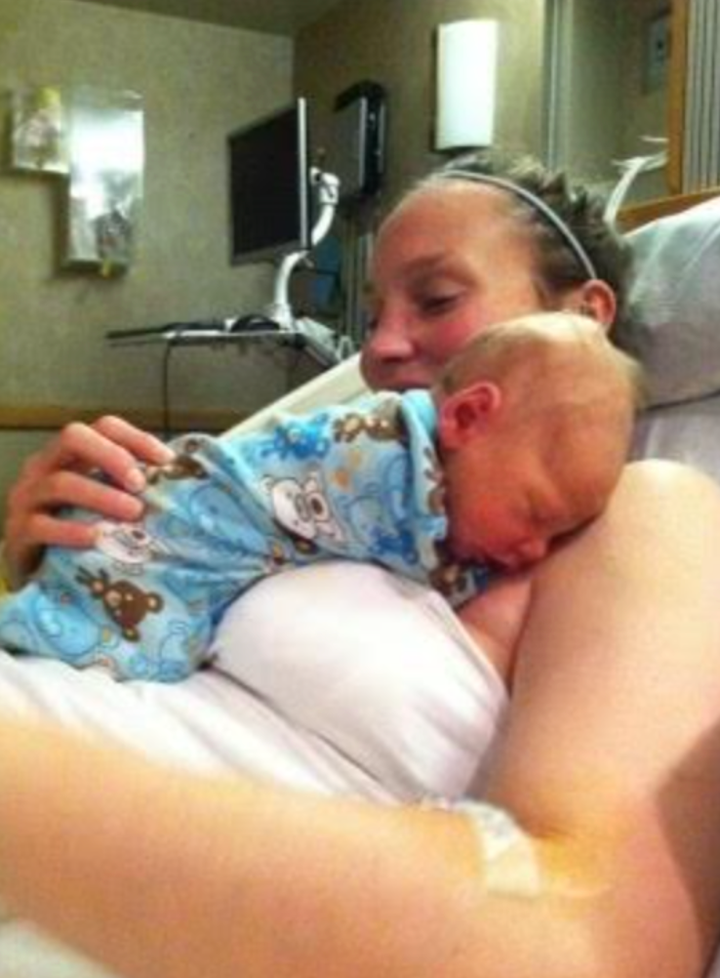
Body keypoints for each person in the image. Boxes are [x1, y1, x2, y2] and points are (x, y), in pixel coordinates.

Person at [1, 151, 720, 978]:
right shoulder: (341, 488)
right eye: (372, 309)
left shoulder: (650, 515)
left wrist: (23, 791)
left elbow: (584, 943)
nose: (378, 346)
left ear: (583, 316)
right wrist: (75, 551)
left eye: (438, 298)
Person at [0, 312, 640, 682]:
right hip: (148, 555)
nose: (534, 550)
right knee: (99, 652)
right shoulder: (389, 463)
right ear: (468, 418)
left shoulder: (639, 503)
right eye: (535, 516)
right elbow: (435, 566)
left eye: (438, 297)